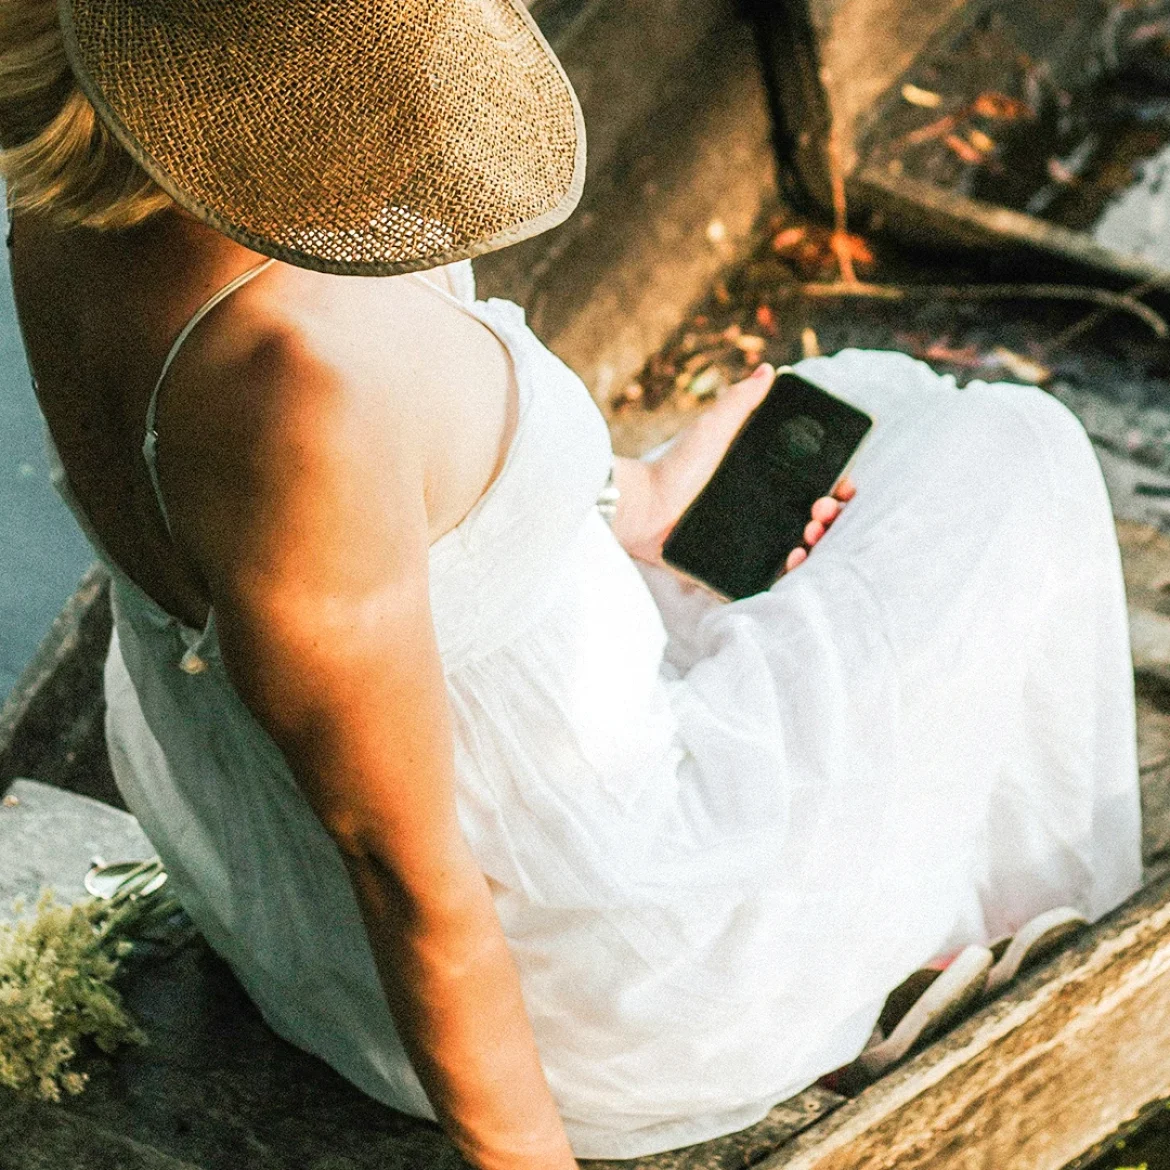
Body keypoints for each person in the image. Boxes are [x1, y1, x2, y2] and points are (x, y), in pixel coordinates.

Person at [2, 0, 1143, 1163]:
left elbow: (381, 532)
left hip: (279, 923)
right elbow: (412, 887)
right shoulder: (301, 386)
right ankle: (910, 958)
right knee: (1009, 448)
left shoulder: (64, 191)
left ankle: (881, 928)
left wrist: (625, 497)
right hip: (580, 989)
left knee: (872, 410)